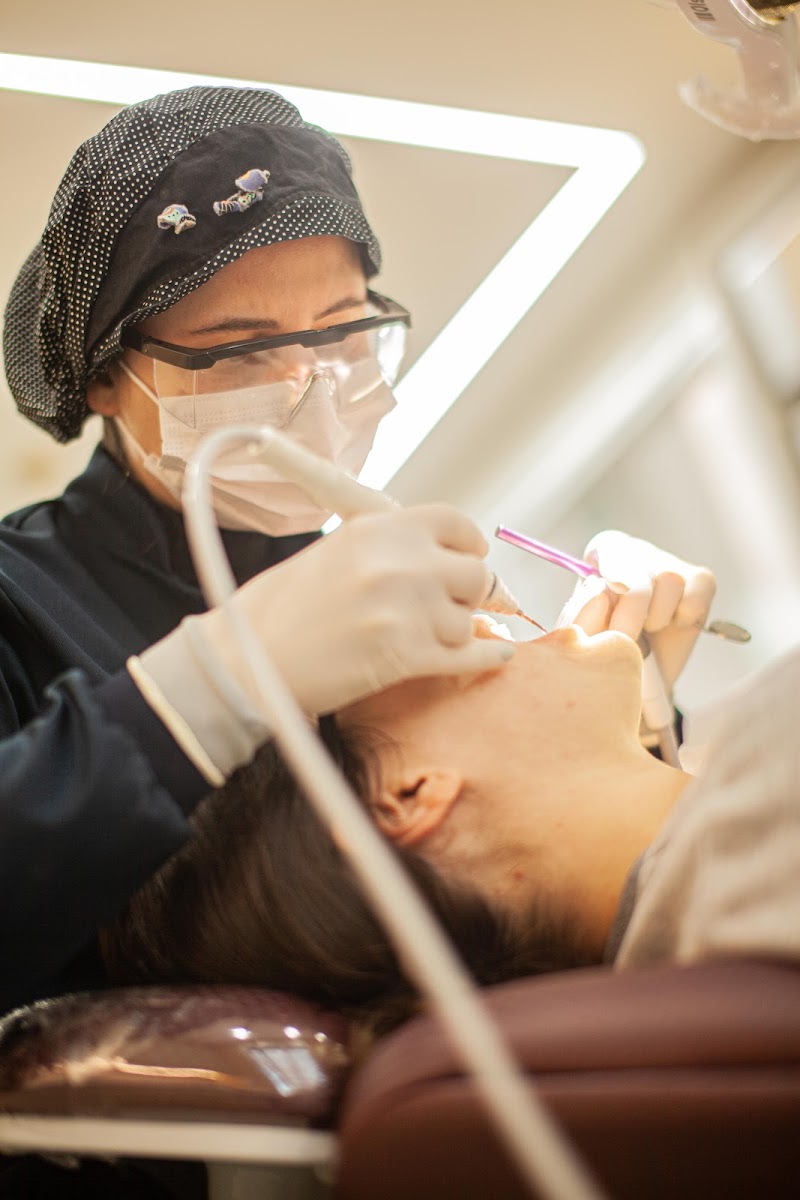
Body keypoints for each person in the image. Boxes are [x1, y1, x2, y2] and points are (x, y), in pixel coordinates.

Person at [0, 78, 718, 1032]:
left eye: (344, 331)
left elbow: (517, 905)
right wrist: (211, 688)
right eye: (241, 350)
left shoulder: (378, 601)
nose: (310, 388)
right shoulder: (19, 599)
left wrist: (642, 724)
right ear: (105, 378)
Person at [103, 606, 794, 1040]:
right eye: (382, 663)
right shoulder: (771, 773)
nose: (479, 618)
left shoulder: (681, 964)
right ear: (402, 795)